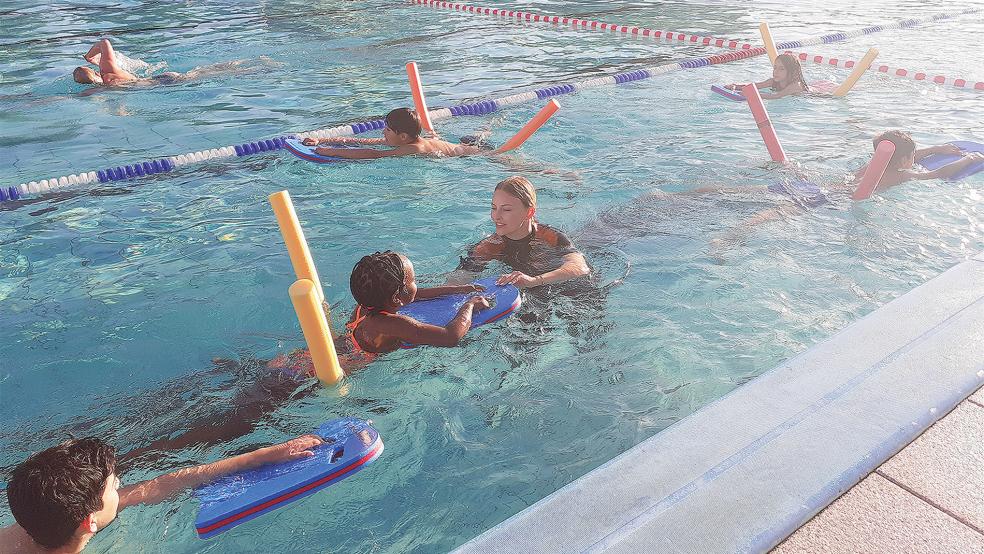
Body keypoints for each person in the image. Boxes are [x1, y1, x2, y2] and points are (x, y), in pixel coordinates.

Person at [0, 435, 323, 553]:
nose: (120, 488)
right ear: (88, 523)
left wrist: (258, 456)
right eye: (114, 486)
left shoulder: (37, 517)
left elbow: (152, 488)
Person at [452, 176, 591, 288]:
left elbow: (580, 268)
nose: (496, 216)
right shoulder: (488, 247)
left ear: (529, 212)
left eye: (506, 209)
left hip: (563, 284)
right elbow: (456, 282)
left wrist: (534, 281)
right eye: (494, 208)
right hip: (525, 290)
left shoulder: (549, 236)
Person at [346, 251, 491, 353]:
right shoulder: (392, 325)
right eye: (413, 281)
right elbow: (450, 337)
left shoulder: (365, 305)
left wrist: (458, 289)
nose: (416, 285)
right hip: (351, 367)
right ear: (396, 298)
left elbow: (416, 294)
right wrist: (470, 305)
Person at [73, 38, 274, 88]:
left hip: (158, 86)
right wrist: (90, 56)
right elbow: (105, 42)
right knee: (212, 70)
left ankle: (253, 68)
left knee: (212, 73)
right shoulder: (107, 70)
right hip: (164, 79)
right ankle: (254, 65)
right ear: (95, 72)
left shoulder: (104, 89)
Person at [301, 108, 484, 159]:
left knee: (490, 152)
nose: (383, 132)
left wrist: (331, 151)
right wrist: (321, 140)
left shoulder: (413, 149)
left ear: (402, 136)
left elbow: (374, 154)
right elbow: (364, 142)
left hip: (472, 154)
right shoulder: (403, 141)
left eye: (387, 130)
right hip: (460, 146)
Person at [851, 130, 983, 193]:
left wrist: (936, 149)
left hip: (837, 192)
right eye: (913, 155)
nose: (915, 157)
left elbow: (899, 156)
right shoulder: (903, 175)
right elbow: (938, 174)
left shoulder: (873, 164)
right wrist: (969, 159)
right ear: (904, 160)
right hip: (846, 200)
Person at [725, 53, 809, 99]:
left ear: (792, 71)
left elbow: (776, 96)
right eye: (775, 68)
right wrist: (735, 86)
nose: (776, 72)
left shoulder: (796, 85)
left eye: (781, 69)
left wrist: (751, 95)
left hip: (815, 96)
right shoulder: (773, 81)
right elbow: (755, 85)